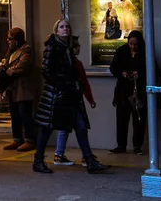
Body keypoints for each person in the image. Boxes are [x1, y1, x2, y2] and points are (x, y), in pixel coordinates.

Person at [33, 19, 109, 174]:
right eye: (61, 27)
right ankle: (38, 160)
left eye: (67, 26)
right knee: (47, 127)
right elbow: (46, 70)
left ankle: (89, 160)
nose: (65, 29)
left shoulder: (67, 47)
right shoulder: (53, 47)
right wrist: (61, 85)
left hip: (70, 93)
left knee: (80, 126)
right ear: (56, 31)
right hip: (56, 95)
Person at [53, 37, 96, 166]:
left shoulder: (62, 63)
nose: (79, 48)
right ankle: (86, 156)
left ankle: (59, 154)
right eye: (76, 46)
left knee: (65, 128)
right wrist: (90, 99)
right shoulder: (77, 64)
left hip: (65, 98)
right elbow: (84, 83)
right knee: (81, 127)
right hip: (75, 100)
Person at [0, 27, 37, 152]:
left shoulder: (26, 48)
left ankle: (29, 140)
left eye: (10, 38)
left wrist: (8, 70)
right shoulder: (11, 51)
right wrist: (4, 65)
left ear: (17, 39)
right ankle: (17, 138)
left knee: (24, 113)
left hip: (23, 87)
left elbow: (24, 65)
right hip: (13, 87)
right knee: (14, 114)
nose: (8, 41)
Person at [109, 30, 147, 155]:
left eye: (135, 44)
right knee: (121, 120)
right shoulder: (121, 51)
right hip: (123, 91)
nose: (133, 47)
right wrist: (122, 73)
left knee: (139, 120)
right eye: (131, 44)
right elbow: (113, 67)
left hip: (138, 92)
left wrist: (139, 73)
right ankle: (121, 145)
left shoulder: (145, 53)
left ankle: (137, 146)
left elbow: (152, 69)